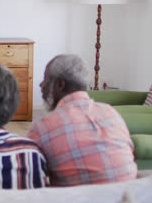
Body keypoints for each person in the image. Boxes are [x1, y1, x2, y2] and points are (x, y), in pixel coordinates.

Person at [28, 54, 137, 186]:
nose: (41, 85)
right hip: (129, 196)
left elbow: (32, 177)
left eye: (45, 79)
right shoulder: (111, 113)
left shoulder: (42, 129)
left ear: (60, 85)